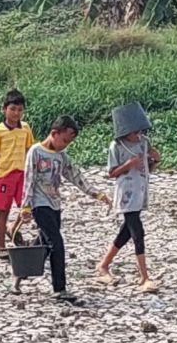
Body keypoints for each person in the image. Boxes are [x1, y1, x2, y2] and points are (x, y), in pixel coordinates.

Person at [19, 116, 111, 302]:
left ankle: (19, 273)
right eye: (64, 140)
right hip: (39, 204)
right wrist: (26, 206)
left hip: (55, 205)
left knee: (43, 246)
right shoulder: (35, 152)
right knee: (57, 244)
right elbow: (28, 180)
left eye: (69, 142)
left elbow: (75, 176)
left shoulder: (61, 157)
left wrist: (96, 194)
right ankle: (59, 288)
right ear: (54, 133)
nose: (65, 145)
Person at [94, 128, 161, 292]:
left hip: (140, 191)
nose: (137, 135)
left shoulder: (144, 142)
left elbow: (148, 167)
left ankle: (103, 265)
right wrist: (128, 164)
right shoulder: (116, 145)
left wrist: (155, 159)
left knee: (127, 231)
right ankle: (144, 276)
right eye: (134, 132)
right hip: (126, 194)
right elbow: (112, 173)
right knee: (138, 231)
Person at [0, 89, 35, 259]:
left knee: (28, 207)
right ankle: (1, 246)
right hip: (4, 175)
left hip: (22, 174)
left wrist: (34, 173)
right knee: (3, 211)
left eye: (20, 110)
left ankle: (13, 228)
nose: (16, 113)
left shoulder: (26, 128)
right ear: (4, 109)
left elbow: (30, 151)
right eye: (13, 109)